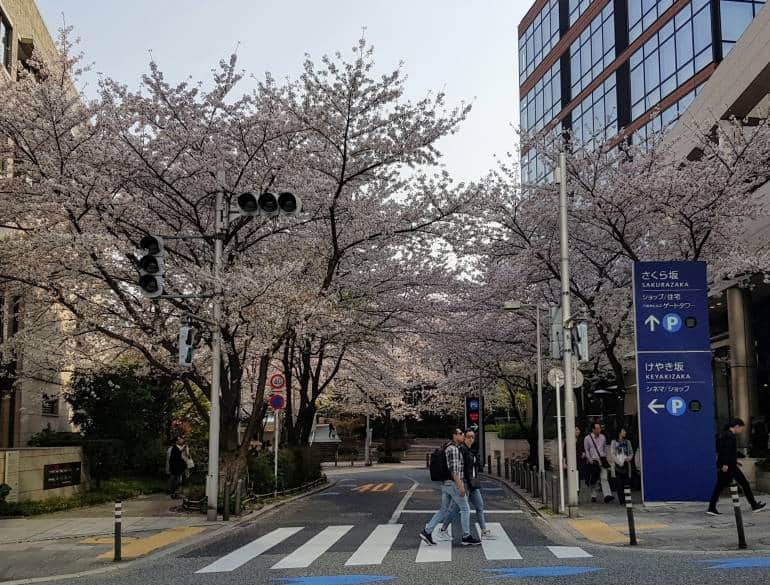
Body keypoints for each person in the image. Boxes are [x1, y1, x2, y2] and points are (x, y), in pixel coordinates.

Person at [419, 428, 481, 546]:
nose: (463, 435)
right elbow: (454, 471)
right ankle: (466, 536)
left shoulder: (448, 446)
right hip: (453, 483)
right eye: (460, 434)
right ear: (454, 435)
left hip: (446, 483)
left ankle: (427, 531)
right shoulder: (453, 449)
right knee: (465, 508)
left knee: (443, 509)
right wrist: (460, 486)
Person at [438, 429, 493, 540]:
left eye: (473, 437)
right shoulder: (461, 450)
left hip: (473, 483)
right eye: (468, 437)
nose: (471, 439)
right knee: (455, 509)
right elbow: (458, 468)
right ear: (464, 438)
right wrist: (460, 484)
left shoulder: (472, 450)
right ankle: (443, 529)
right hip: (465, 483)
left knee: (480, 506)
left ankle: (483, 530)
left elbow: (476, 466)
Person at [707, 418, 766, 515]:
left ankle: (711, 507)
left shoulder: (724, 434)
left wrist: (734, 461)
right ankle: (754, 506)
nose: (741, 430)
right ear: (736, 426)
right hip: (729, 467)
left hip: (729, 465)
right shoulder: (729, 436)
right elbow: (725, 451)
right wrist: (725, 464)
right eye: (741, 428)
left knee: (720, 486)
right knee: (743, 484)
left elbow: (726, 451)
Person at [584, 422, 614, 503]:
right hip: (593, 461)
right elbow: (586, 450)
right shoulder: (587, 438)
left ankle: (607, 495)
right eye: (597, 428)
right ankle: (593, 495)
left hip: (602, 460)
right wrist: (589, 459)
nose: (599, 430)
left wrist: (607, 458)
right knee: (594, 479)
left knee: (604, 478)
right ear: (593, 429)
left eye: (599, 428)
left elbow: (604, 448)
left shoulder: (603, 437)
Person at [610, 428, 634, 505]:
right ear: (619, 433)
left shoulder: (628, 442)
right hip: (618, 465)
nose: (625, 432)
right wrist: (619, 462)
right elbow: (612, 454)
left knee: (626, 483)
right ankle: (622, 501)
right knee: (619, 484)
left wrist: (629, 458)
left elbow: (631, 452)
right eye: (623, 431)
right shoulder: (614, 442)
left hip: (626, 464)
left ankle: (627, 500)